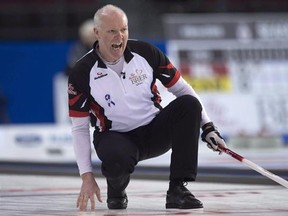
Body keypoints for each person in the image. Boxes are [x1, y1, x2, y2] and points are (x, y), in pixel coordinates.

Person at [68, 4, 227, 211]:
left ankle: (178, 190)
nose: (120, 37)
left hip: (154, 131)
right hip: (115, 136)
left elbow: (183, 89)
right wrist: (87, 177)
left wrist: (208, 128)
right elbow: (79, 128)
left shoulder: (146, 52)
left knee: (189, 104)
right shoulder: (81, 72)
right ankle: (116, 189)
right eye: (112, 31)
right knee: (116, 160)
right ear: (96, 33)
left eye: (124, 30)